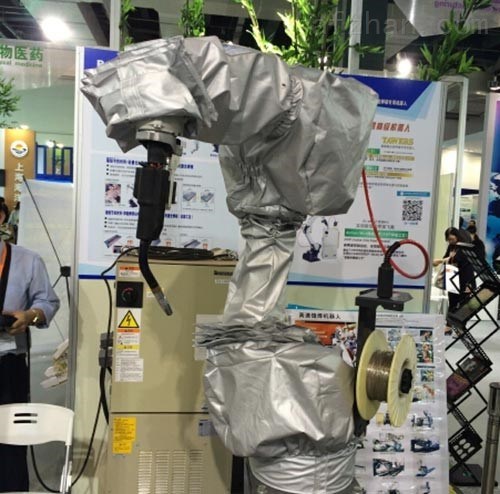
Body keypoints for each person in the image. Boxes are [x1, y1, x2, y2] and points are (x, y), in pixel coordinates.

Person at [0, 206, 60, 492]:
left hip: (7, 365)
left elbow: (48, 302)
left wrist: (30, 316)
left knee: (10, 446)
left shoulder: (27, 260)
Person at [433, 227, 475, 332]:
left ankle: (461, 327)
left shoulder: (463, 246)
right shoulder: (451, 246)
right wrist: (444, 260)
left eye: (452, 239)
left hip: (465, 279)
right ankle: (449, 325)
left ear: (457, 236)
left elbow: (456, 259)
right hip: (452, 277)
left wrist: (440, 261)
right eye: (449, 240)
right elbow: (447, 257)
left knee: (464, 304)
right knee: (452, 303)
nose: (450, 241)